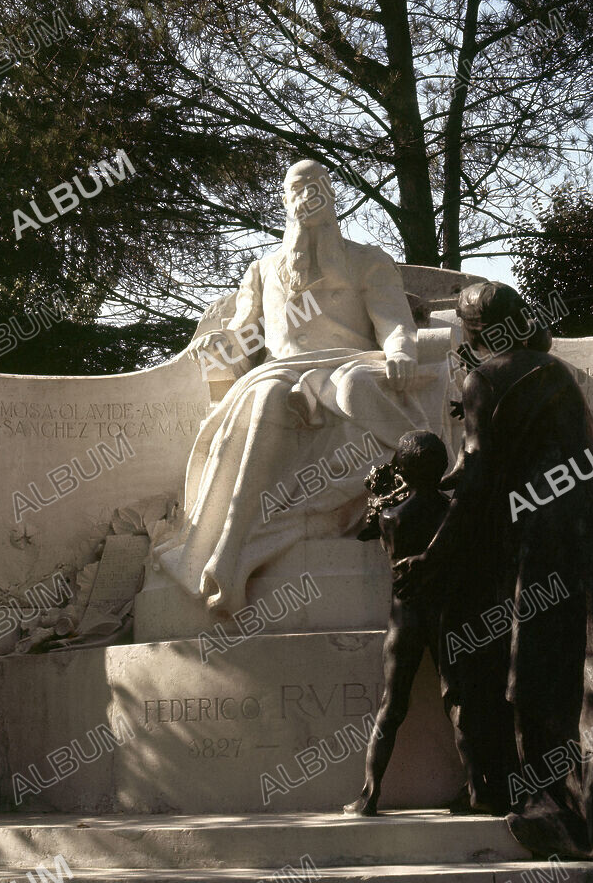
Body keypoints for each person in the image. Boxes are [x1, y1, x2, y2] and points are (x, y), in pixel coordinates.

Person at [395, 282, 593, 876]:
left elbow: (482, 481)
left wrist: (431, 558)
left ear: (476, 332)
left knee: (541, 666)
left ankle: (561, 804)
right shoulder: (553, 371)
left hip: (554, 528)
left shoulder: (485, 379)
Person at [153, 160, 446, 615]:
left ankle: (264, 537)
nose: (306, 195)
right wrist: (221, 341)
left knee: (352, 390)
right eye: (296, 188)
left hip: (350, 365)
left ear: (332, 195)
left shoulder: (367, 260)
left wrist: (401, 353)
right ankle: (228, 550)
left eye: (317, 186)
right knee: (265, 395)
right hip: (281, 372)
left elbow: (393, 323)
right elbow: (243, 336)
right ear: (285, 200)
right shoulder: (263, 270)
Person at [344, 431, 509, 815]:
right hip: (445, 616)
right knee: (458, 701)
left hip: (404, 619)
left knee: (392, 705)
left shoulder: (390, 517)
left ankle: (370, 794)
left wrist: (384, 488)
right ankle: (479, 789)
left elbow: (368, 528)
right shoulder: (452, 512)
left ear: (401, 469)